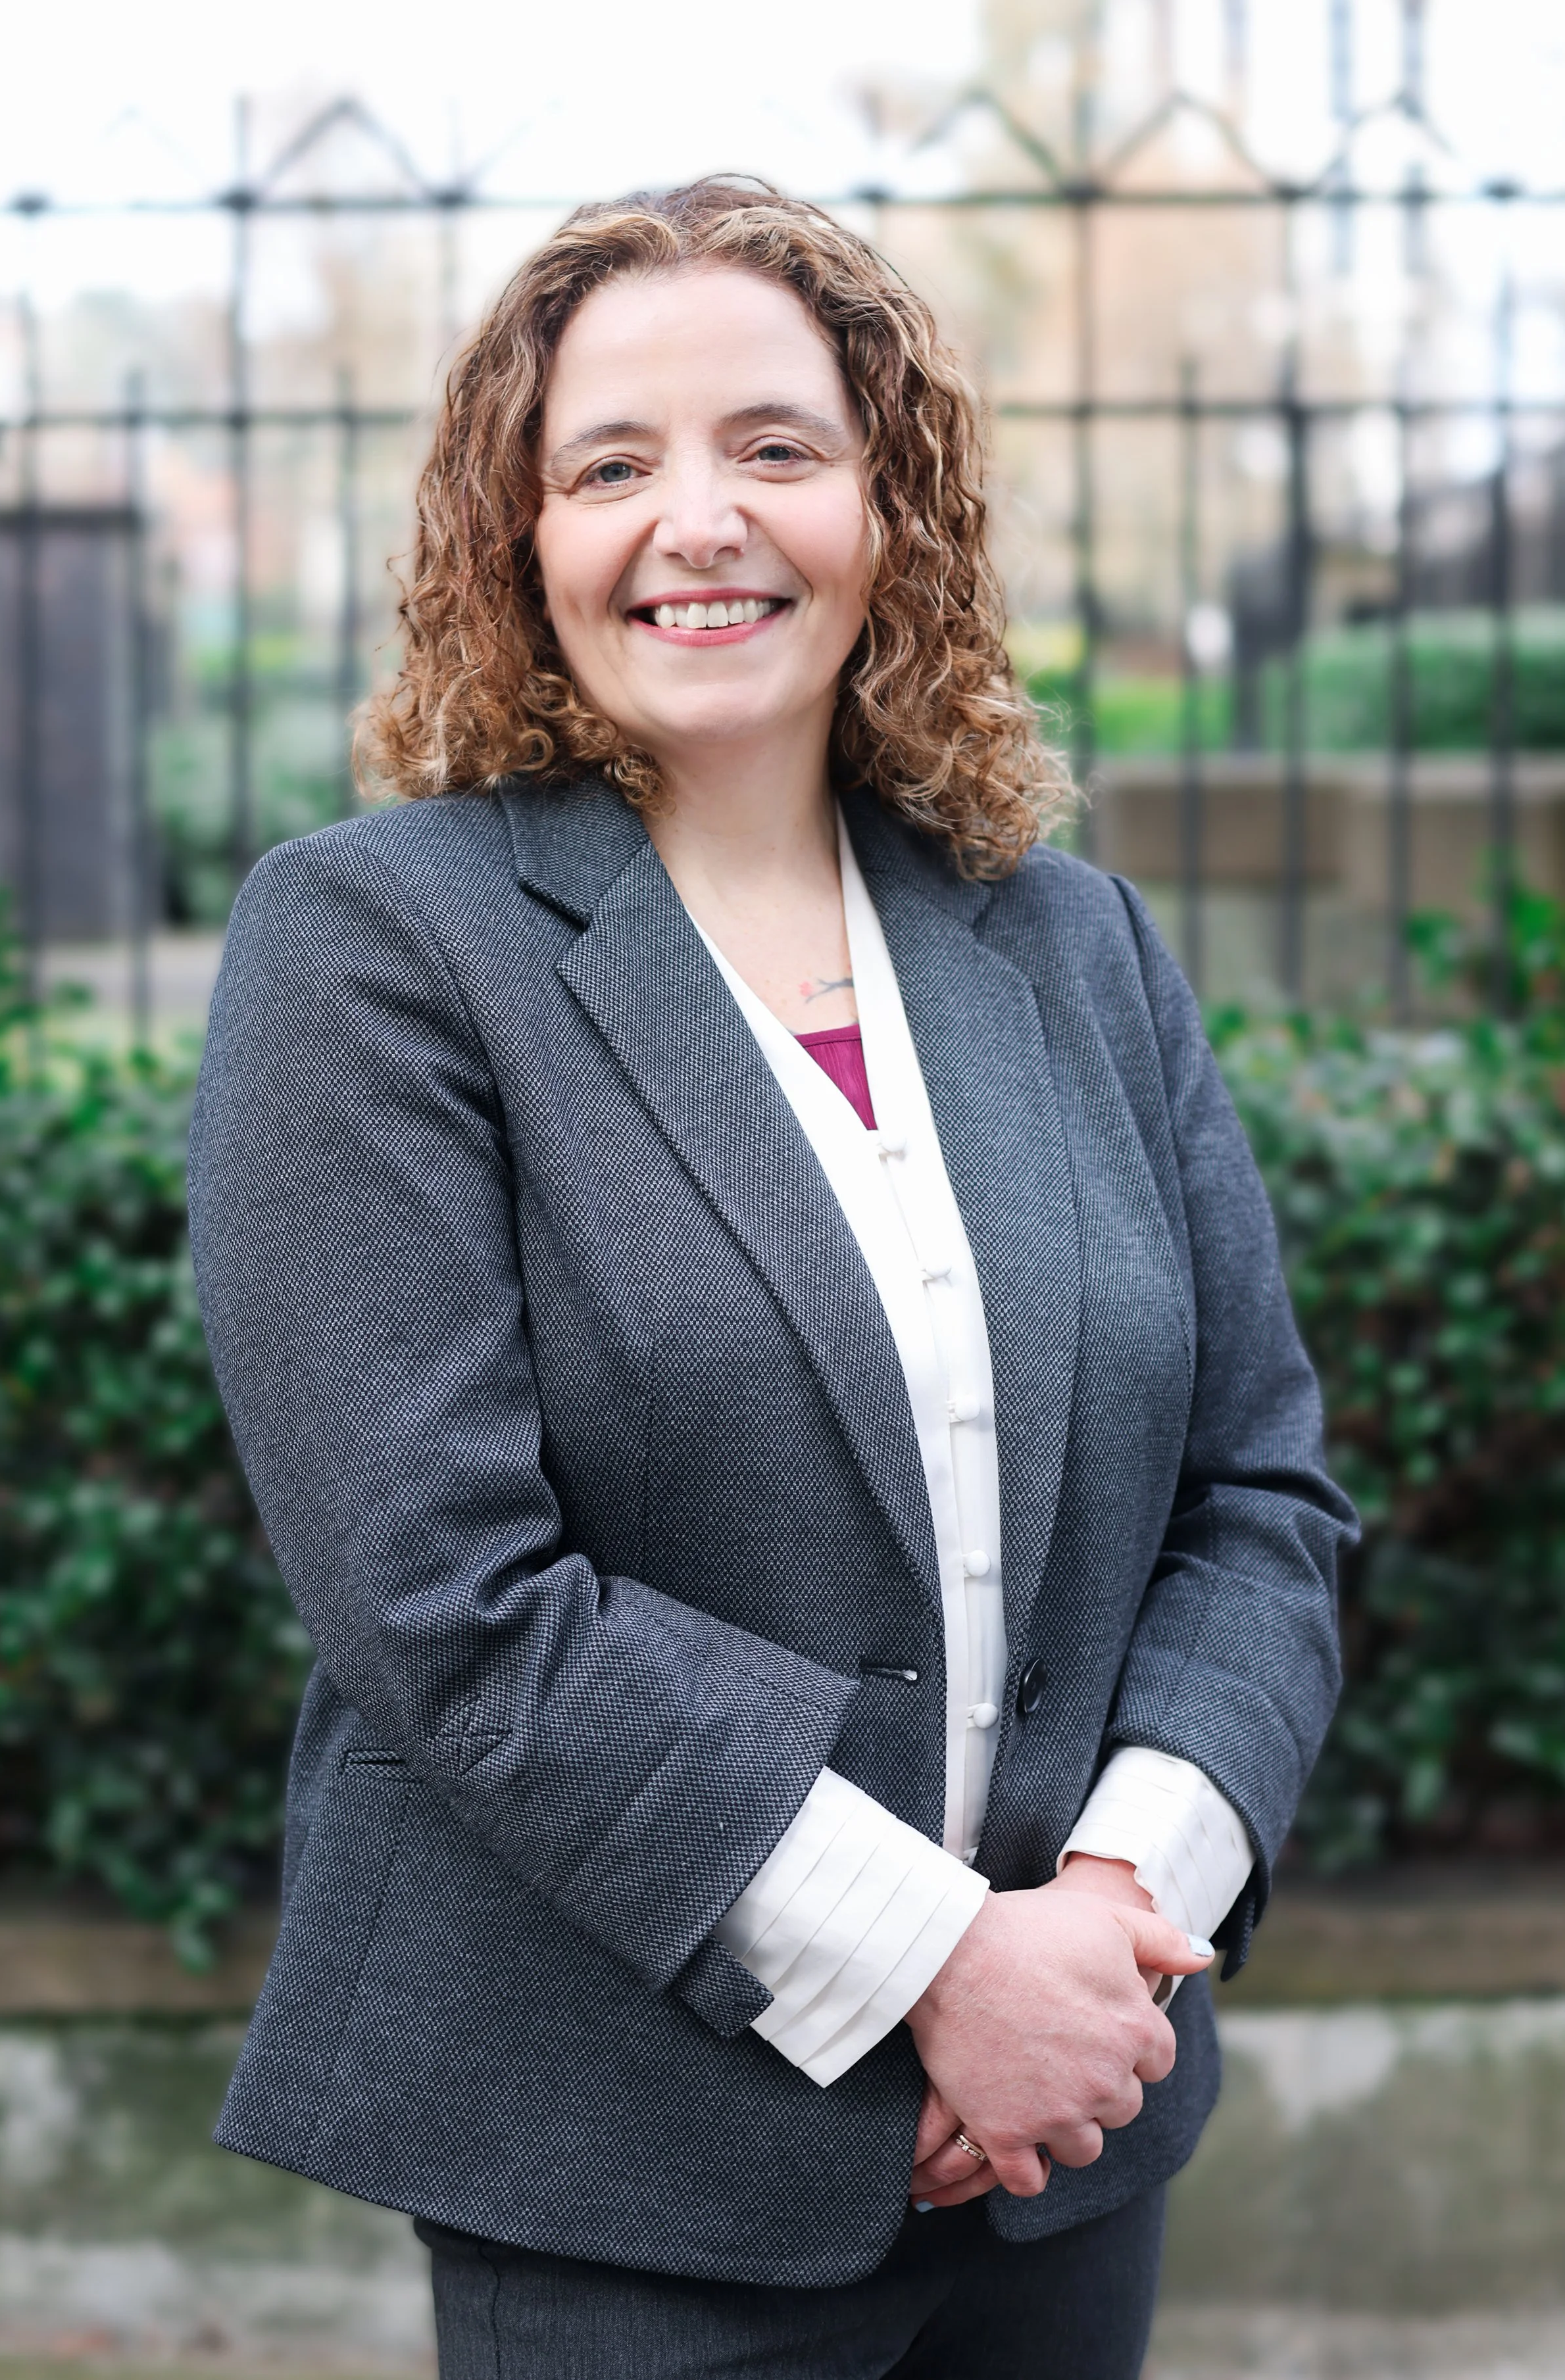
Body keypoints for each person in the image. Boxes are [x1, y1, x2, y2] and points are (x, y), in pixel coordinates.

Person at [189, 179, 1353, 2380]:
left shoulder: (1070, 942)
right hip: (634, 2175)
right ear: (515, 542)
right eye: (608, 466)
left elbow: (1258, 1502)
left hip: (1066, 2147)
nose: (692, 521)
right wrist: (940, 1967)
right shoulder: (378, 945)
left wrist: (1105, 1930)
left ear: (887, 509)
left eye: (774, 449)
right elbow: (450, 1599)